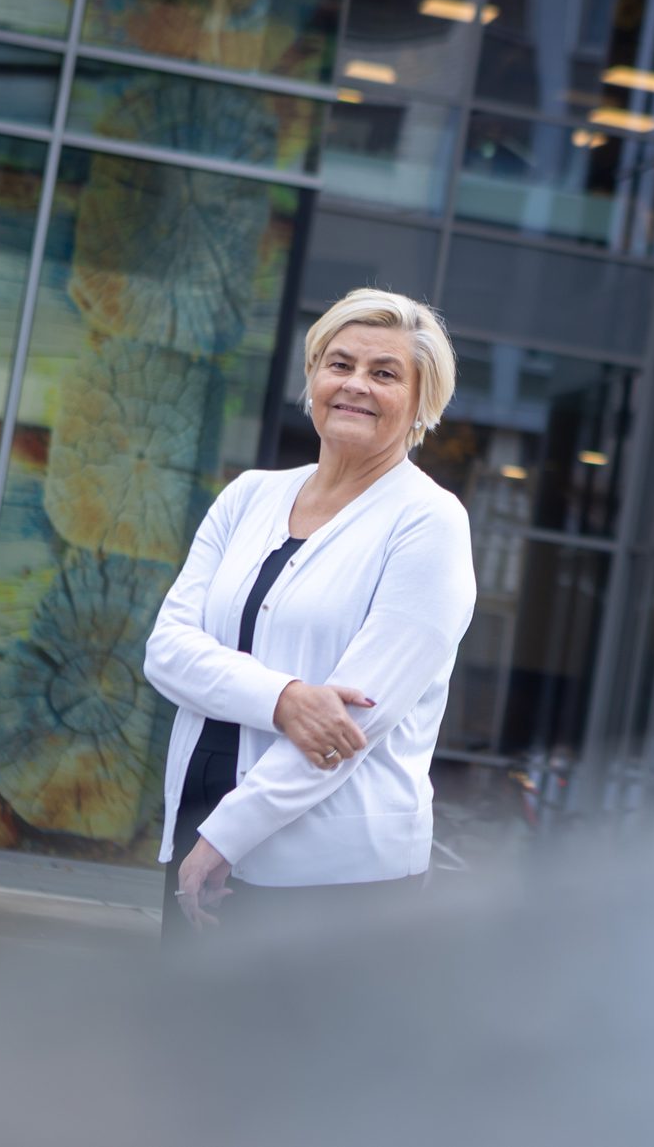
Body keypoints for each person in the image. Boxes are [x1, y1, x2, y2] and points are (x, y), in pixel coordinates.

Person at [144, 287, 477, 938]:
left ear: (421, 402)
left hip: (332, 875)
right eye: (340, 363)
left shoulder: (430, 522)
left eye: (385, 373)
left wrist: (228, 836)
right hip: (196, 825)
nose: (356, 384)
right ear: (313, 376)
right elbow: (167, 650)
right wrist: (285, 699)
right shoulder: (249, 496)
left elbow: (350, 725)